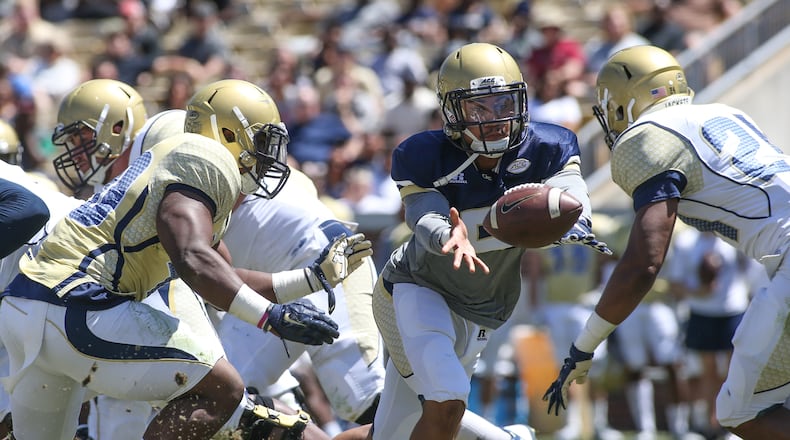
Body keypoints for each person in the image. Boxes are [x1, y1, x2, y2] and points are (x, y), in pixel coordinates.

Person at [0, 78, 373, 440]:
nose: (268, 154)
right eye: (261, 140)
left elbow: (222, 276)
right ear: (227, 134)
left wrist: (311, 278)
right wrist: (268, 317)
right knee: (222, 389)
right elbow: (192, 258)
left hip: (25, 306)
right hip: (75, 303)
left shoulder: (170, 172)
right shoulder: (207, 157)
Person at [543, 44, 790, 440]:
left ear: (623, 103)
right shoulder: (726, 113)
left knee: (743, 412)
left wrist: (584, 344)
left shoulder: (646, 137)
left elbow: (644, 263)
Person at [368, 42, 610, 440]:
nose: (495, 119)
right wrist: (448, 233)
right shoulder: (425, 155)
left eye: (503, 103)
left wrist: (575, 218)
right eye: (479, 108)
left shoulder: (548, 146)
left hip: (483, 307)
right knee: (445, 399)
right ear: (451, 111)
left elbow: (572, 195)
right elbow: (422, 213)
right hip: (417, 287)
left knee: (395, 431)